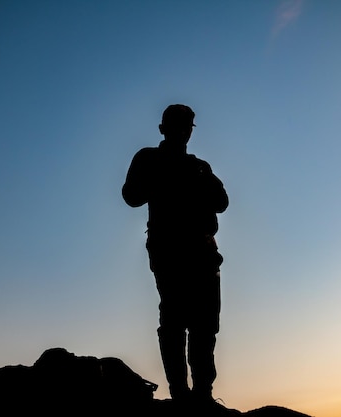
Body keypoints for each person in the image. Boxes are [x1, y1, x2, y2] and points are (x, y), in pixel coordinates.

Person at [122, 104, 229, 404]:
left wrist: (201, 180)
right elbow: (131, 196)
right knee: (174, 320)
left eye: (187, 126)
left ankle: (203, 394)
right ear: (163, 129)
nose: (183, 131)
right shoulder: (149, 158)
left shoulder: (200, 166)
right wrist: (161, 176)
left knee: (205, 325)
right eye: (178, 125)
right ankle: (180, 394)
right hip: (169, 252)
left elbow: (222, 202)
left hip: (204, 252)